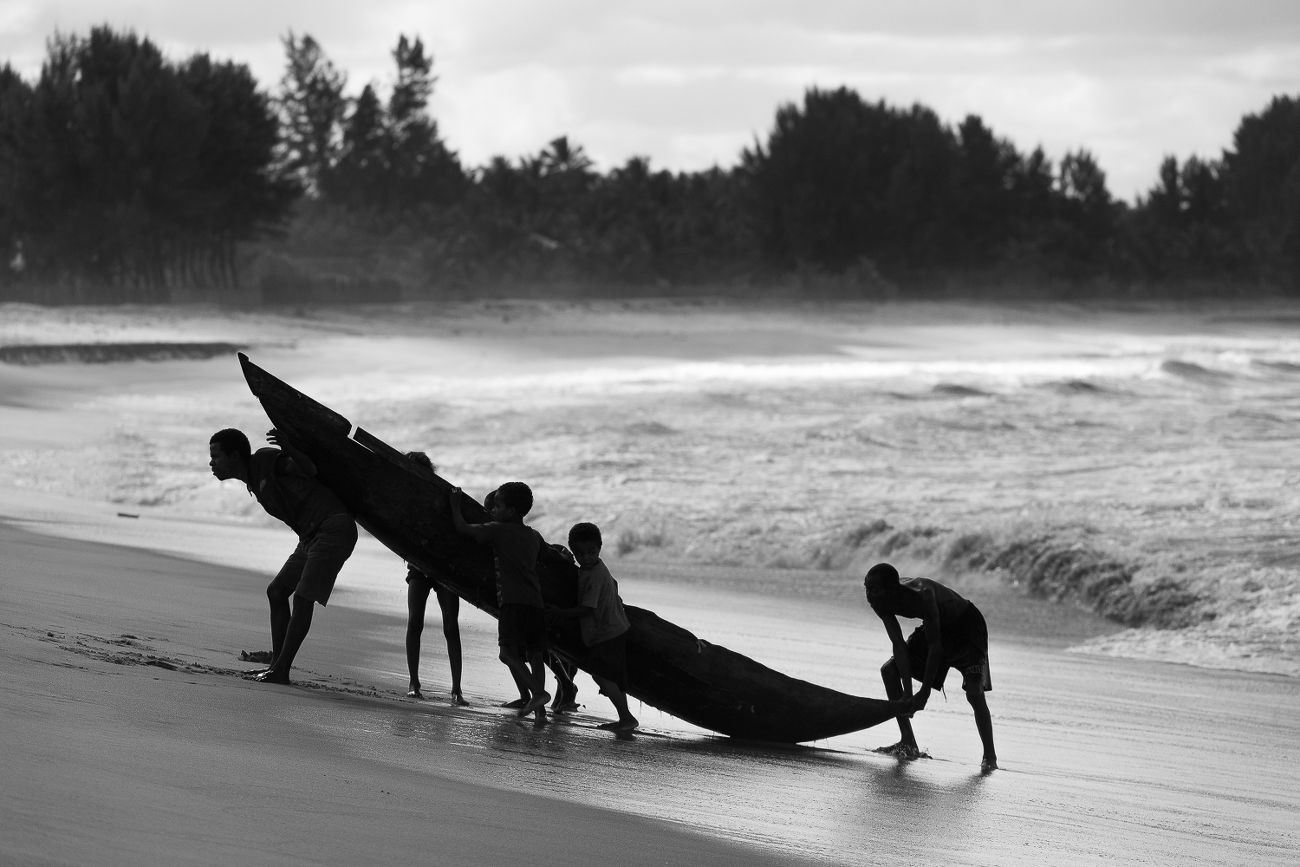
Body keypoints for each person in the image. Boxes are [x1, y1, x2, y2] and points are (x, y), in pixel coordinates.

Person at [208, 427, 357, 685]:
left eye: (216, 456)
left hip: (332, 528)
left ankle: (281, 671)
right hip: (310, 537)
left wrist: (289, 447)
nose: (211, 463)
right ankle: (277, 665)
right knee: (276, 592)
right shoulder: (253, 480)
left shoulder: (265, 461)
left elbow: (308, 470)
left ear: (234, 456)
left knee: (302, 597)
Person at [863, 562, 997, 772]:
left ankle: (990, 756)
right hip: (936, 626)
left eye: (874, 589)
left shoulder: (923, 594)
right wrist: (908, 693)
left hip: (966, 625)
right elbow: (898, 645)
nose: (869, 594)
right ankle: (908, 741)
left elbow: (935, 648)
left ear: (892, 589)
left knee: (973, 692)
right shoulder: (879, 602)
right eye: (866, 588)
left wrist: (924, 693)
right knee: (890, 671)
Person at [449, 481, 549, 722]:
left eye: (497, 506)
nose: (492, 510)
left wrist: (454, 505)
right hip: (536, 603)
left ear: (511, 511)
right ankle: (540, 713)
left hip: (513, 602)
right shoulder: (534, 535)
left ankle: (538, 694)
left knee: (507, 653)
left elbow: (462, 528)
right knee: (535, 655)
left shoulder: (498, 530)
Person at [547, 522, 637, 733]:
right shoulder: (594, 567)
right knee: (609, 676)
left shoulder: (594, 576)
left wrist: (559, 613)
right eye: (580, 554)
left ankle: (627, 717)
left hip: (607, 632)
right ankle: (625, 717)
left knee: (602, 676)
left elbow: (587, 609)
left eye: (591, 552)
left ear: (600, 548)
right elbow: (614, 584)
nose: (586, 557)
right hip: (611, 629)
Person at [402, 452, 467, 705]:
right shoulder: (404, 499)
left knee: (451, 627)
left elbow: (457, 528)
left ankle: (457, 689)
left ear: (430, 472)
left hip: (446, 568)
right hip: (419, 567)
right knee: (414, 622)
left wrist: (454, 505)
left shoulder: (444, 495)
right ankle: (413, 683)